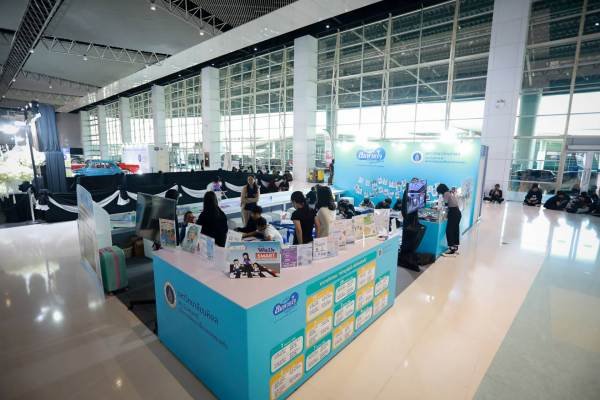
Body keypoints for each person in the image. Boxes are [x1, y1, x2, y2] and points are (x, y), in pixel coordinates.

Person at [437, 183, 461, 256]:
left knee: (449, 231)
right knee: (455, 229)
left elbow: (445, 205)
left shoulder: (446, 193)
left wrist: (439, 207)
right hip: (457, 212)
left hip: (453, 213)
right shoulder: (450, 192)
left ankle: (451, 249)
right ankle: (455, 246)